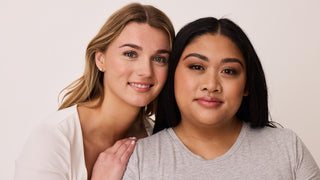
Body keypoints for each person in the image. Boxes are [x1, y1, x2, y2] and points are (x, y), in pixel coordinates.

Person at [122, 17, 320, 179]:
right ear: (172, 75)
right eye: (197, 67)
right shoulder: (138, 159)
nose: (211, 85)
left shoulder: (287, 148)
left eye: (228, 71)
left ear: (247, 86)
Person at [14, 3, 175, 180]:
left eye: (160, 59)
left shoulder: (160, 140)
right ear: (100, 60)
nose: (146, 71)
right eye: (130, 54)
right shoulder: (53, 139)